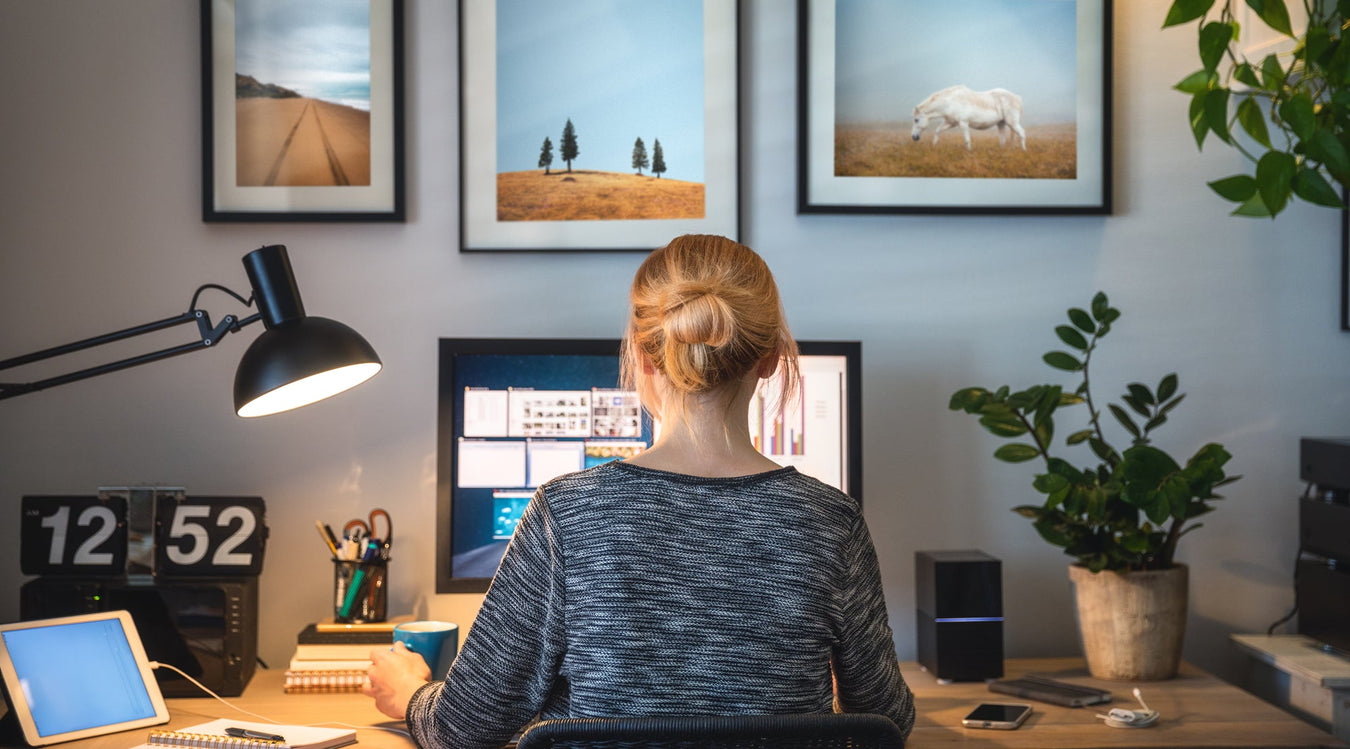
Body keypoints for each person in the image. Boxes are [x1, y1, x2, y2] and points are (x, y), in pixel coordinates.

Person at [365, 234, 915, 748]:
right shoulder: (831, 520)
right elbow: (887, 719)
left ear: (644, 355)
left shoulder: (568, 514)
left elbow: (468, 726)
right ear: (771, 357)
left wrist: (409, 694)